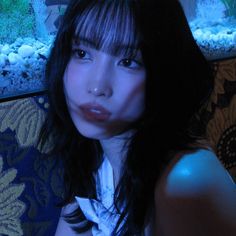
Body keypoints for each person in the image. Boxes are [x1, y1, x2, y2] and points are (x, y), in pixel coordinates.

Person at [39, 0, 236, 235]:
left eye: (128, 62)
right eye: (82, 54)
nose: (97, 87)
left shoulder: (184, 183)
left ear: (163, 71)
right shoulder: (96, 154)